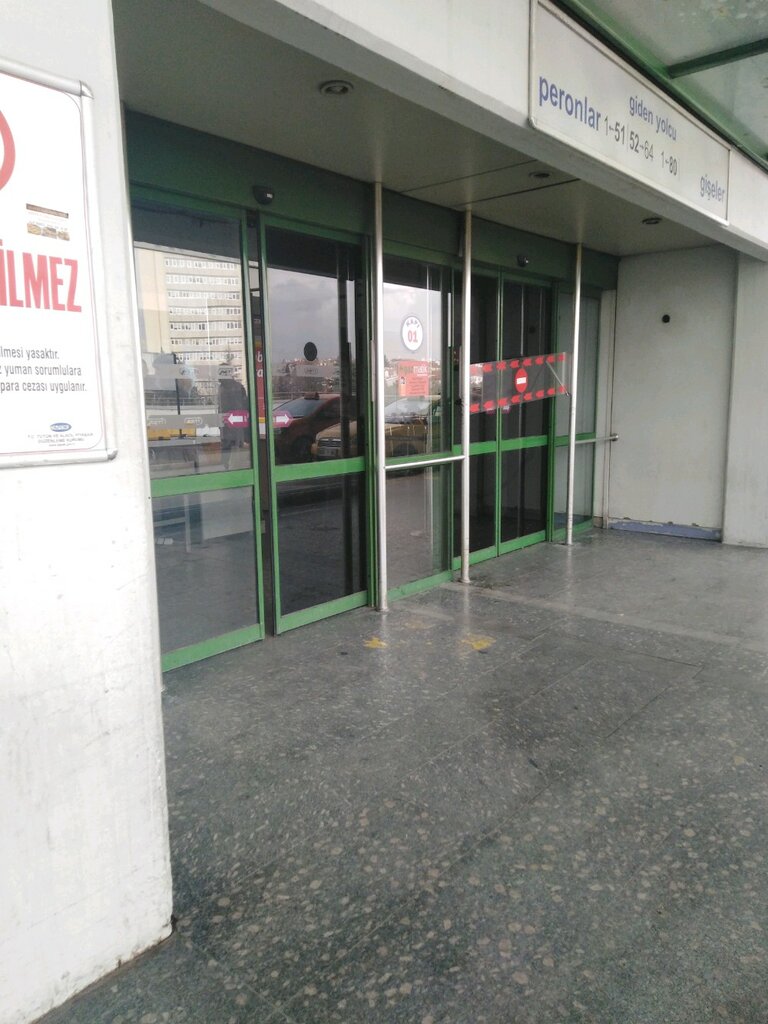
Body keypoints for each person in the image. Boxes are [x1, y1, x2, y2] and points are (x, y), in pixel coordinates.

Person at [218, 363, 248, 464]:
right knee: (234, 445)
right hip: (233, 422)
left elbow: (242, 405)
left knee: (228, 446)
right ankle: (231, 465)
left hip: (232, 422)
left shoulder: (228, 388)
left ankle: (227, 465)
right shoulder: (234, 386)